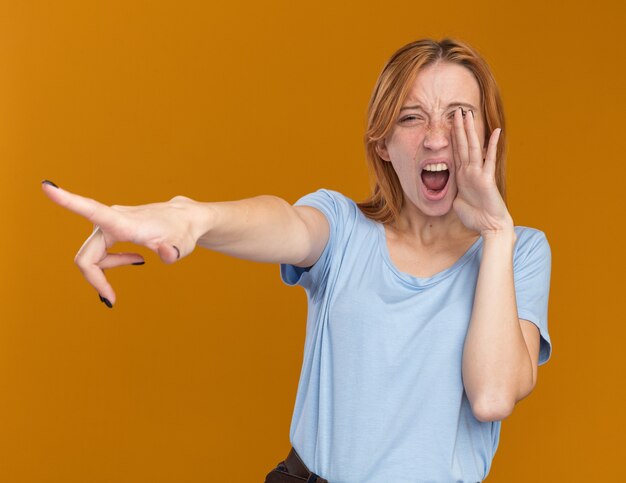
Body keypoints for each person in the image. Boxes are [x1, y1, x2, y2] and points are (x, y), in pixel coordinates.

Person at [42, 38, 551, 483]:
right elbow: (282, 222)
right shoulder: (345, 227)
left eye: (459, 115)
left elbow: (491, 397)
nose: (437, 137)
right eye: (411, 117)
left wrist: (496, 230)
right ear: (384, 145)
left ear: (489, 136)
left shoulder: (519, 251)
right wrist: (192, 218)